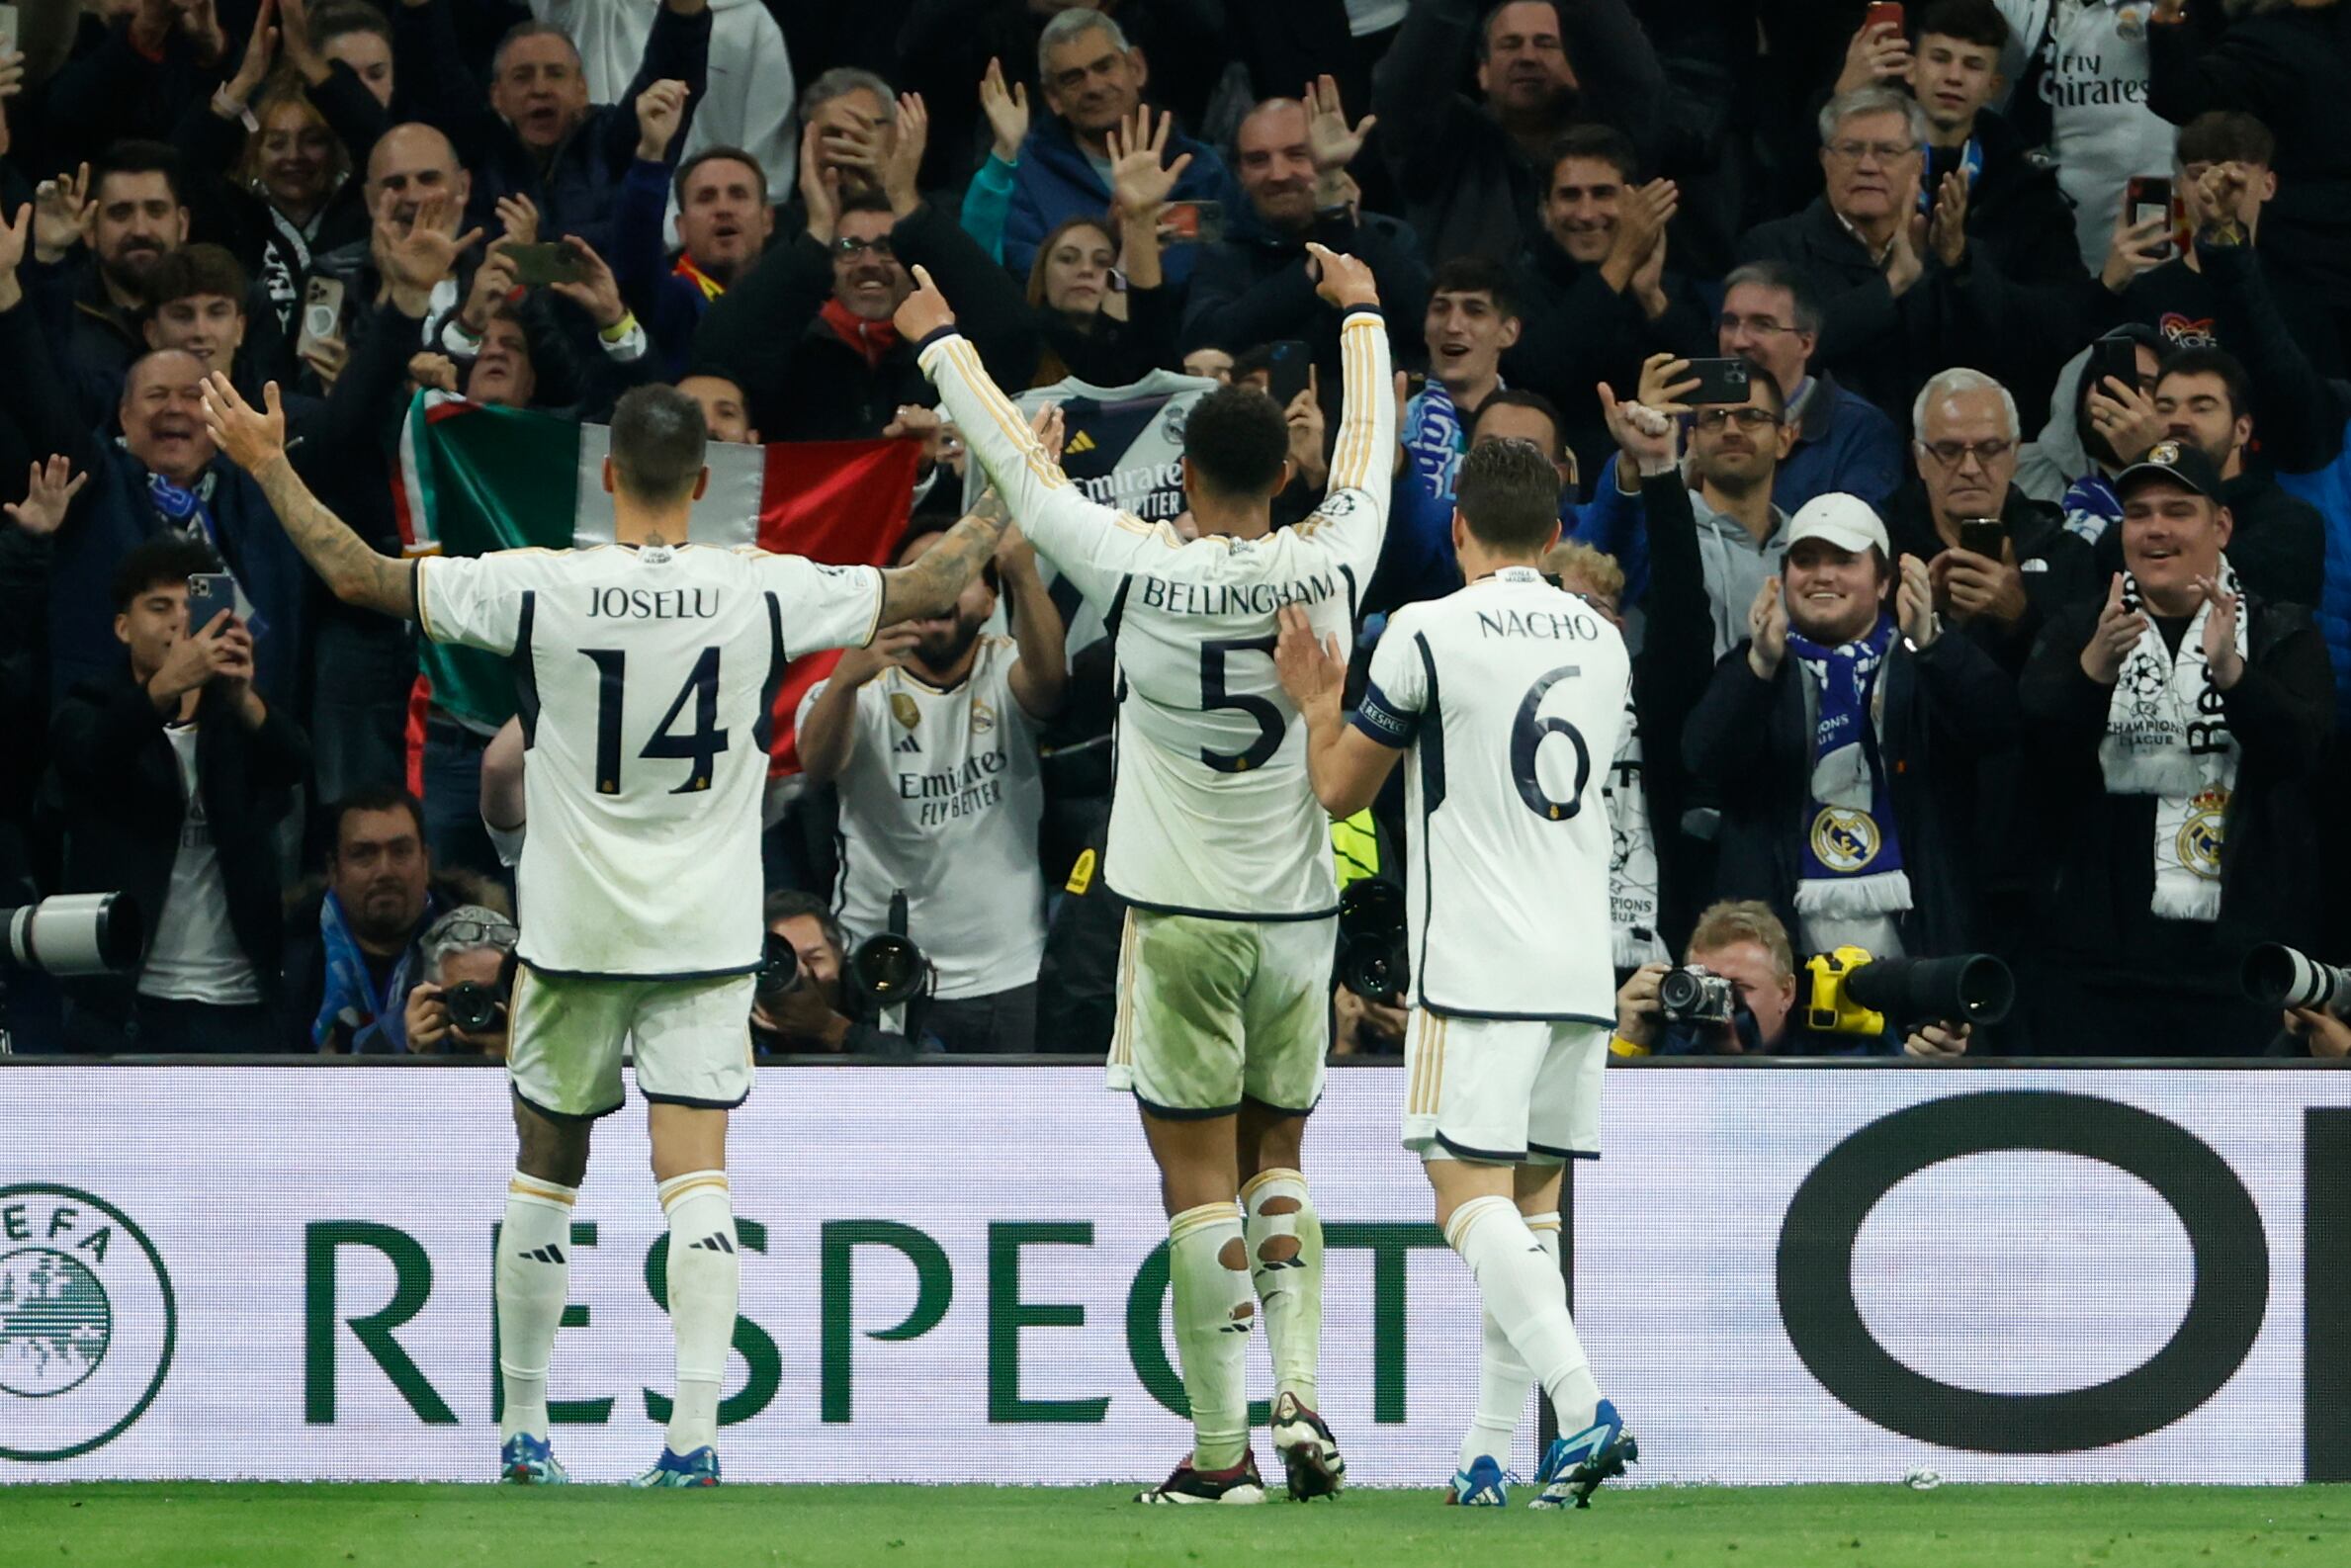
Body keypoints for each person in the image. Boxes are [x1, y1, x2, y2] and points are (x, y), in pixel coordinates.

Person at [197, 373, 1017, 1486]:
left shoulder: (540, 585)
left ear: (608, 476)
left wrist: (264, 459)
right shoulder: (761, 587)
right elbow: (930, 578)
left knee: (545, 1171)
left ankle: (526, 1432)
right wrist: (1010, 474)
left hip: (576, 934)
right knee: (697, 1176)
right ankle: (693, 1438)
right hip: (704, 934)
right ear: (705, 482)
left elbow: (356, 573)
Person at [911, 243, 1396, 1503]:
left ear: (1182, 473)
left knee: (1194, 1180)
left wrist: (940, 342)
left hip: (1177, 914)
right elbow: (1369, 452)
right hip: (1299, 912)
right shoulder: (1335, 551)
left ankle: (1221, 1453)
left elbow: (1022, 471)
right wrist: (1359, 315)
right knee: (1277, 1151)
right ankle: (1298, 1390)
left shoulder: (1136, 559)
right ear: (1279, 474)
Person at [1270, 436, 1635, 1510]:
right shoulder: (1606, 642)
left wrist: (1314, 701)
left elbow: (1340, 790)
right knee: (1530, 1206)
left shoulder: (1427, 627)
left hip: (1475, 958)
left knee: (1460, 1196)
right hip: (1578, 959)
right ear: (1557, 532)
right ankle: (1485, 1449)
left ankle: (1581, 1407)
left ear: (1458, 528)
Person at [2019, 440, 2333, 1057]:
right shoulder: (2083, 629)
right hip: (2098, 969)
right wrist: (2093, 672)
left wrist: (2234, 675)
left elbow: (2304, 753)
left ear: (2221, 524)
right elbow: (2039, 761)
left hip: (2240, 967)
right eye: (2138, 513)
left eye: (2177, 510)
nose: (2155, 529)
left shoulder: (2279, 631)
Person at [1683, 492, 2019, 961]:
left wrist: (1932, 643)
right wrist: (1758, 664)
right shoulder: (1758, 666)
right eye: (1805, 560)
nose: (1823, 575)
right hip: (1784, 951)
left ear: (1883, 582)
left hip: (1918, 941)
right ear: (1783, 578)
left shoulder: (1923, 660)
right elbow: (1703, 759)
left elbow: (1998, 727)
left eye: (1844, 560)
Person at [796, 518, 1067, 1055]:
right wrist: (847, 680)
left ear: (989, 600)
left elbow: (1051, 688)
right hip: (884, 969)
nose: (938, 587)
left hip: (1009, 972)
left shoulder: (1004, 662)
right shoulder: (859, 684)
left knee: (1015, 1136)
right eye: (923, 575)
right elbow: (816, 767)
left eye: (958, 573)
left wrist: (1024, 573)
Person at [48, 535, 310, 1054]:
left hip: (240, 1000)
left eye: (192, 606)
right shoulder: (88, 708)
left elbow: (295, 763)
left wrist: (242, 697)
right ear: (123, 627)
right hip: (126, 1001)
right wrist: (167, 687)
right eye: (159, 606)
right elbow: (97, 755)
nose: (178, 620)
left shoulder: (236, 719)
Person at [1372, 0, 1662, 265]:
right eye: (1510, 45)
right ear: (1482, 71)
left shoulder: (1611, 139)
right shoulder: (1444, 145)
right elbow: (1408, 90)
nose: (1527, 57)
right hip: (1467, 317)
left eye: (1546, 44)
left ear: (1576, 67)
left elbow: (1637, 85)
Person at [1504, 123, 1709, 486]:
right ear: (1545, 209)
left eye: (1602, 193)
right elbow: (1539, 375)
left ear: (1635, 203)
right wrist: (1621, 263)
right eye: (1569, 195)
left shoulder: (1672, 292)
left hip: (1665, 488)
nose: (1586, 213)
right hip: (1553, 494)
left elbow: (1708, 391)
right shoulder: (1514, 290)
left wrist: (1651, 297)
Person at [1180, 82, 1431, 382]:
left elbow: (1427, 327)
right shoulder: (1224, 251)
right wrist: (1311, 271)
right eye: (1258, 160)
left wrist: (1341, 224)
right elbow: (1207, 342)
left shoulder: (1388, 236)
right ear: (1239, 174)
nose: (1279, 174)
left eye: (1299, 154)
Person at [1735, 87, 1950, 426]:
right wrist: (1892, 284)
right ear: (1825, 160)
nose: (1867, 166)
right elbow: (1771, 356)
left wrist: (1961, 263)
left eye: (1886, 151)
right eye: (1851, 150)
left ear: (1919, 163)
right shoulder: (1773, 248)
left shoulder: (1943, 249)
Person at [1573, 352, 1794, 653]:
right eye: (1714, 418)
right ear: (1691, 440)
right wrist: (1635, 460)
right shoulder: (1660, 530)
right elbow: (1592, 573)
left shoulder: (1807, 544)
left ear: (1784, 439)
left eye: (1750, 417)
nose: (1731, 430)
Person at [1000, 8, 1237, 287]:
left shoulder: (1199, 168)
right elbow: (1036, 282)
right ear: (1053, 97)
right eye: (1073, 78)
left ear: (1136, 68)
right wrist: (1113, 243)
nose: (1094, 87)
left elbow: (1225, 273)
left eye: (1104, 67)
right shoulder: (1027, 175)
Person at [2084, 347, 2325, 613]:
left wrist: (2160, 461)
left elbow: (2239, 591)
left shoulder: (2291, 522)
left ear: (2242, 430)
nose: (2178, 420)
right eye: (2165, 408)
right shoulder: (2121, 536)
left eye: (2202, 408)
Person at [1886, 367, 2092, 668]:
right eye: (1949, 450)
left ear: (2014, 456)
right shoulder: (1882, 554)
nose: (1970, 468)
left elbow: (2078, 692)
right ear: (1919, 458)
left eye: (1990, 449)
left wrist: (2020, 618)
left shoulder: (2066, 555)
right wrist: (1928, 621)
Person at [283, 785, 508, 1055]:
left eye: (401, 851)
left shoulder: (483, 950)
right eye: (364, 854)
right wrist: (398, 1040)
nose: (385, 870)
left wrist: (511, 1054)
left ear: (426, 862)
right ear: (334, 869)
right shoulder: (290, 958)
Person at [1610, 900, 1970, 1058]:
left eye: (1738, 988)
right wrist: (1626, 1043)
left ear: (1787, 992)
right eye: (1707, 985)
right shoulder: (1668, 1043)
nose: (1720, 1004)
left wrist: (1928, 1073)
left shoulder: (1844, 1046)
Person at [1378, 256, 1522, 608]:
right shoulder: (1388, 425)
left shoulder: (1531, 430)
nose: (1453, 326)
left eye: (1474, 311)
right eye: (1441, 310)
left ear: (1508, 332)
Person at [1715, 261, 1905, 513]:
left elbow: (1852, 541)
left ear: (1806, 344)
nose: (1738, 341)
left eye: (1762, 325)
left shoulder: (1862, 431)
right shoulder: (1693, 422)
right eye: (1730, 323)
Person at [748, 891, 918, 1056]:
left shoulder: (869, 992)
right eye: (785, 962)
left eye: (813, 959)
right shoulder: (743, 1003)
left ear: (838, 953)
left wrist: (831, 1028)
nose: (802, 974)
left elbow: (922, 1072)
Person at [399, 905, 521, 1058]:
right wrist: (418, 1058)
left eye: (493, 994)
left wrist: (519, 1058)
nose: (478, 1008)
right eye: (465, 994)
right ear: (434, 994)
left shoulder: (542, 1037)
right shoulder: (385, 1039)